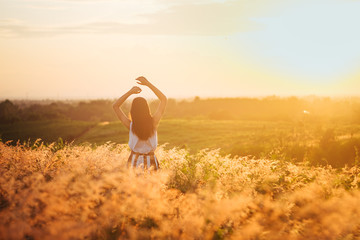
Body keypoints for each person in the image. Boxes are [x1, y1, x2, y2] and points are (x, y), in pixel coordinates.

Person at [113, 76, 167, 171]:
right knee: (152, 186)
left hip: (134, 161)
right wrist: (148, 84)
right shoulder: (153, 122)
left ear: (133, 111)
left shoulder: (130, 125)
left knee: (134, 186)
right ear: (147, 109)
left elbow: (115, 106)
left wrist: (130, 92)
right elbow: (163, 99)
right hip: (151, 161)